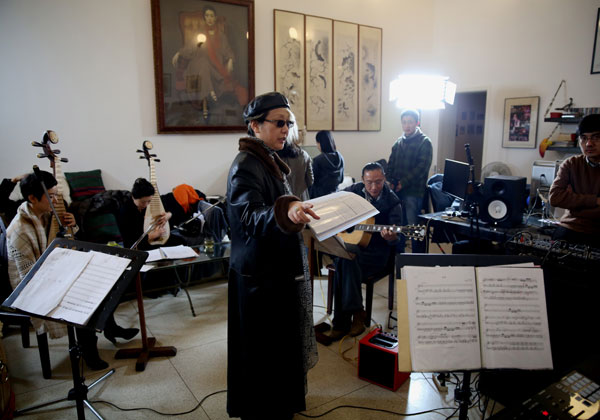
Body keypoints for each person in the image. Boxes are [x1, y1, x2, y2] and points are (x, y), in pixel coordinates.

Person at [226, 92, 320, 420]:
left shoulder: (268, 158)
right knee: (262, 354)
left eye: (288, 123)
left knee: (280, 349)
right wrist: (288, 210)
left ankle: (280, 408)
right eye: (278, 122)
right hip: (258, 278)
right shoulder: (246, 165)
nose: (286, 130)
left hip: (272, 271)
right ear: (254, 126)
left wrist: (293, 209)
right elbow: (249, 216)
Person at [6, 171, 138, 370]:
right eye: (50, 196)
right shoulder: (19, 230)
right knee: (83, 296)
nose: (56, 200)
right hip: (34, 284)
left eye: (56, 194)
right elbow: (28, 276)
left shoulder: (48, 214)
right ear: (32, 198)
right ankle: (89, 350)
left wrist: (72, 226)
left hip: (57, 269)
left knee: (104, 281)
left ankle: (111, 328)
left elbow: (66, 243)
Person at [329, 162, 402, 340]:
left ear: (384, 179)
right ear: (363, 180)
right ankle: (356, 312)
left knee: (343, 261)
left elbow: (398, 238)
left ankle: (341, 322)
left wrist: (391, 237)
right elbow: (335, 205)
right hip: (355, 248)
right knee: (346, 257)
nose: (374, 187)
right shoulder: (353, 192)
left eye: (378, 182)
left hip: (377, 254)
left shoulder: (393, 202)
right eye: (369, 182)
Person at [172, 5, 247, 119]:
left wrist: (231, 60)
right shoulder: (199, 33)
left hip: (214, 67)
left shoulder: (221, 36)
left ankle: (210, 92)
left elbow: (228, 50)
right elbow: (190, 47)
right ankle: (211, 92)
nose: (209, 18)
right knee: (203, 62)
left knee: (206, 64)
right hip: (196, 65)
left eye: (211, 16)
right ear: (204, 18)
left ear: (215, 17)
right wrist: (179, 53)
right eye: (207, 16)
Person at [549, 113, 600, 247]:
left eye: (596, 137)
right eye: (583, 138)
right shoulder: (570, 164)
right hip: (570, 228)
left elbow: (563, 198)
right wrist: (595, 200)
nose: (589, 144)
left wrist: (573, 201)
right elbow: (555, 198)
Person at [387, 109, 432, 253]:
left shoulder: (425, 142)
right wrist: (390, 181)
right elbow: (390, 164)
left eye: (410, 122)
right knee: (399, 225)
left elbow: (422, 168)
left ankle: (417, 258)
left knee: (414, 228)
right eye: (405, 122)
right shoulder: (398, 143)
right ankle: (400, 257)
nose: (407, 126)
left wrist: (403, 182)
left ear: (417, 123)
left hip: (413, 192)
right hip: (397, 191)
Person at [116, 178, 174, 250]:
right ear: (133, 197)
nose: (146, 205)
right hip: (138, 244)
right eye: (143, 202)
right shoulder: (125, 212)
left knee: (181, 241)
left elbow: (168, 211)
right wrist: (153, 235)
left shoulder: (149, 205)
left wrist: (168, 215)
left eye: (149, 201)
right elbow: (131, 240)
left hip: (156, 236)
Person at [310, 130, 344, 198]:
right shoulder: (340, 157)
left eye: (317, 143)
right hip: (335, 194)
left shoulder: (318, 160)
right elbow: (341, 180)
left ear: (320, 143)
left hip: (319, 197)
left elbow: (311, 181)